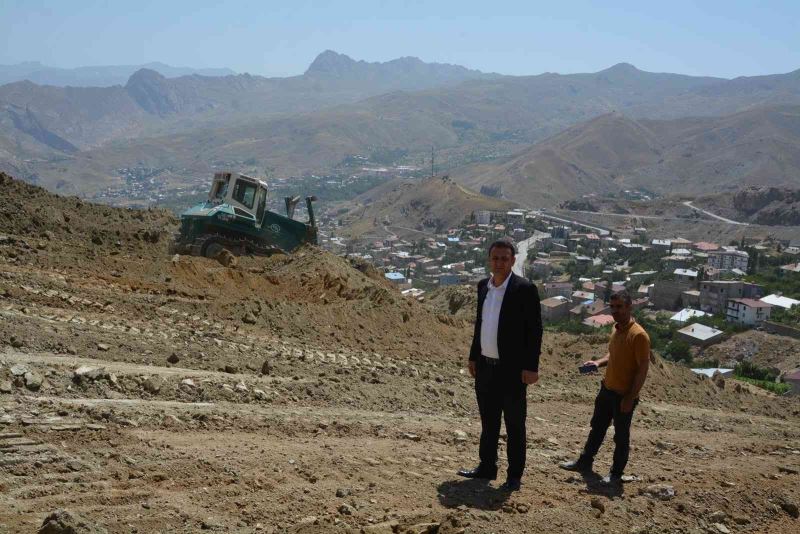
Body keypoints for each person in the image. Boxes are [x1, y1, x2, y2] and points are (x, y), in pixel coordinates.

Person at [457, 239, 543, 491]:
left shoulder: (524, 289)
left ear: (513, 261)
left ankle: (514, 476)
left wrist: (531, 367)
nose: (499, 263)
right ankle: (487, 467)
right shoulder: (483, 286)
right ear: (489, 260)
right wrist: (474, 356)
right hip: (485, 367)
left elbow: (534, 331)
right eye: (495, 258)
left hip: (512, 371)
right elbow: (481, 324)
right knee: (489, 421)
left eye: (505, 258)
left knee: (514, 424)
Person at [560, 290, 650, 485]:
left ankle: (616, 474)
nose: (615, 311)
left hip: (623, 395)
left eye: (619, 307)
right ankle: (584, 462)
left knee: (621, 437)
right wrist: (597, 363)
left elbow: (643, 370)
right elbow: (612, 354)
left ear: (629, 307)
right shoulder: (616, 329)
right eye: (612, 306)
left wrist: (630, 397)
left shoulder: (639, 335)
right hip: (607, 389)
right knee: (597, 428)